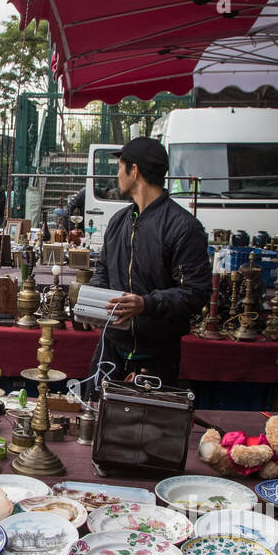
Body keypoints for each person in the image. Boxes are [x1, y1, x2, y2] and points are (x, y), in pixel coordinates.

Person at [87, 137, 212, 388]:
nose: (117, 175)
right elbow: (102, 270)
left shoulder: (184, 227)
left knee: (146, 426)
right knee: (96, 419)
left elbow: (196, 292)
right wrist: (95, 303)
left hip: (157, 355)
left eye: (120, 168)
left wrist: (146, 304)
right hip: (111, 348)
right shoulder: (119, 221)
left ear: (135, 171)